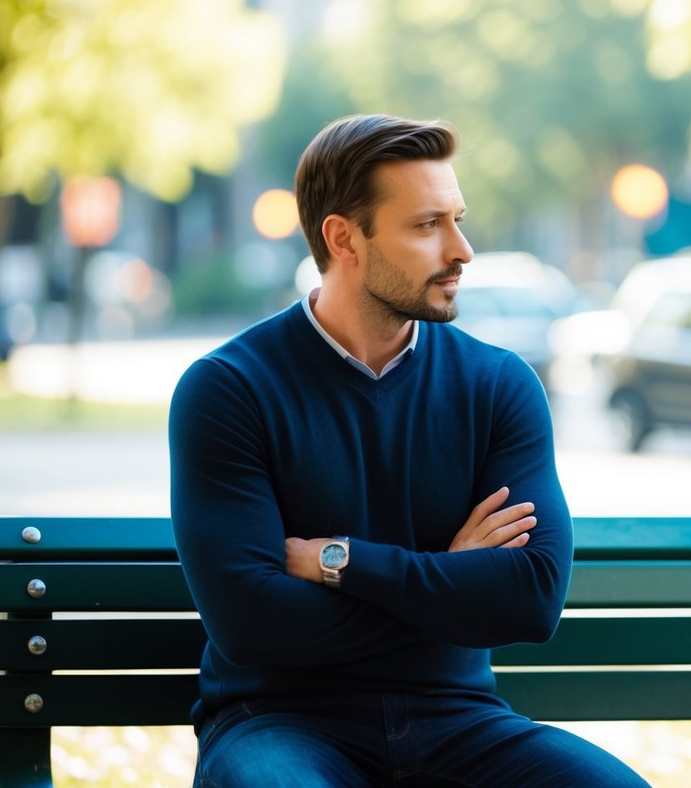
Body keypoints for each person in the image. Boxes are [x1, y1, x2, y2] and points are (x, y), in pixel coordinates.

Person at [169, 114, 650, 788]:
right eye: (426, 226)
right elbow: (255, 626)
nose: (462, 250)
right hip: (278, 723)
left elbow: (532, 600)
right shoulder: (229, 390)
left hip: (458, 719)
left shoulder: (497, 384)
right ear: (344, 239)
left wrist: (341, 561)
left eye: (457, 219)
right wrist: (449, 578)